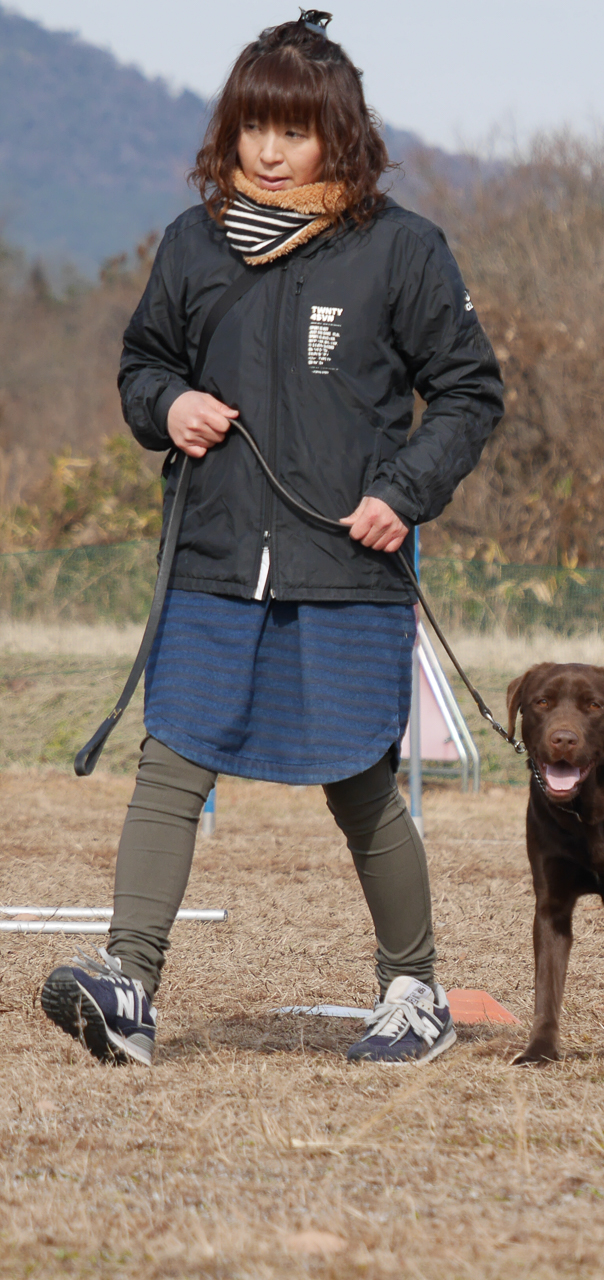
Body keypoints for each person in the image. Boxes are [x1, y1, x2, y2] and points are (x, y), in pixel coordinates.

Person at [40, 11, 503, 1067]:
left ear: (340, 135)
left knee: (360, 779)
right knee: (172, 759)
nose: (271, 151)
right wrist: (168, 406)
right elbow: (142, 365)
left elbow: (470, 393)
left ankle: (414, 991)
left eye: (295, 131)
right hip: (213, 563)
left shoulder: (402, 248)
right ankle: (129, 985)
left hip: (347, 566)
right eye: (255, 127)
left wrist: (405, 492)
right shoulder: (192, 243)